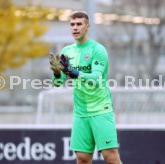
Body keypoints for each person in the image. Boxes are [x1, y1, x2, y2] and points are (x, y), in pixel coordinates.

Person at [49, 11, 122, 164]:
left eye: (79, 24)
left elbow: (95, 79)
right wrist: (56, 73)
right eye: (72, 24)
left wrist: (73, 72)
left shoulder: (98, 50)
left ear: (87, 26)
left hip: (101, 109)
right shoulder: (66, 51)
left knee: (110, 157)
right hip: (80, 112)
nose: (75, 28)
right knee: (82, 159)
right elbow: (57, 83)